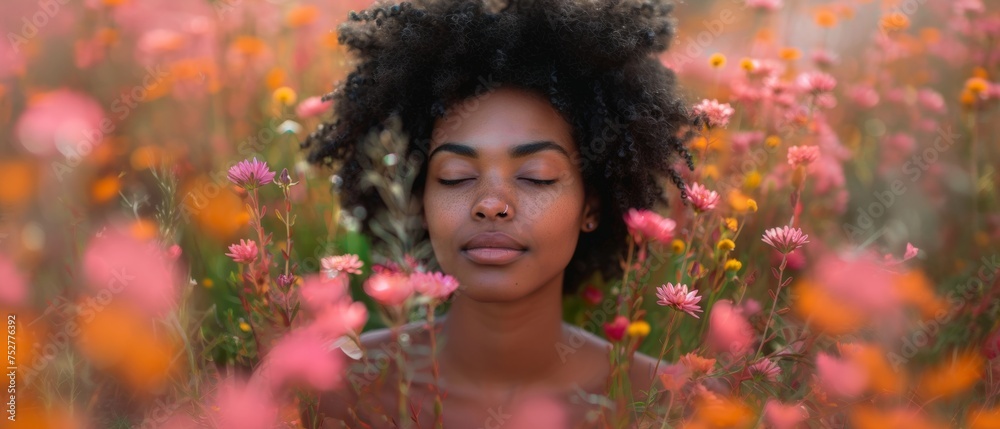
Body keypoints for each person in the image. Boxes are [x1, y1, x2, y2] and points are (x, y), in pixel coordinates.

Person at [301, 0, 696, 426]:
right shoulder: (328, 390)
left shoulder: (668, 405)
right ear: (417, 202)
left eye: (537, 176)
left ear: (591, 205)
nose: (491, 204)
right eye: (454, 176)